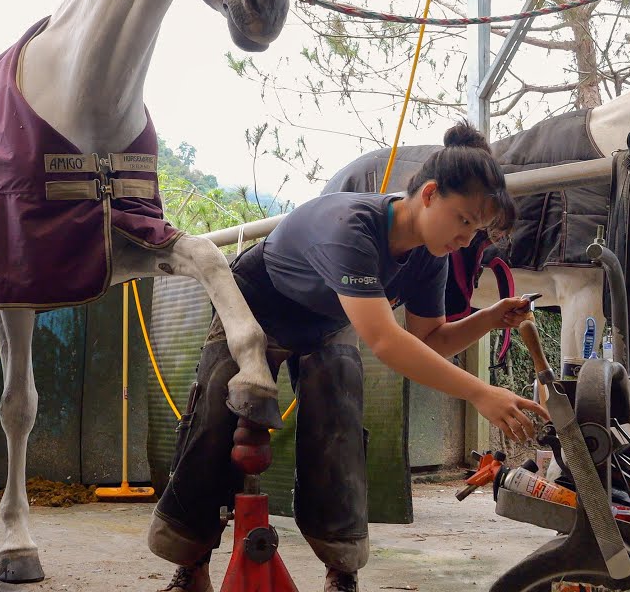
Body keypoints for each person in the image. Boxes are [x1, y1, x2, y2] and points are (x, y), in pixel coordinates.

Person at [147, 122, 550, 592]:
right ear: (429, 194)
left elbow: (430, 339)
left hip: (326, 321)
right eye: (463, 221)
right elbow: (384, 341)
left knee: (339, 427)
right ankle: (191, 566)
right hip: (255, 305)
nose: (465, 240)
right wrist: (480, 393)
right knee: (214, 422)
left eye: (475, 231)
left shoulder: (430, 256)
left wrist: (489, 318)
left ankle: (342, 571)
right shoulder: (351, 227)